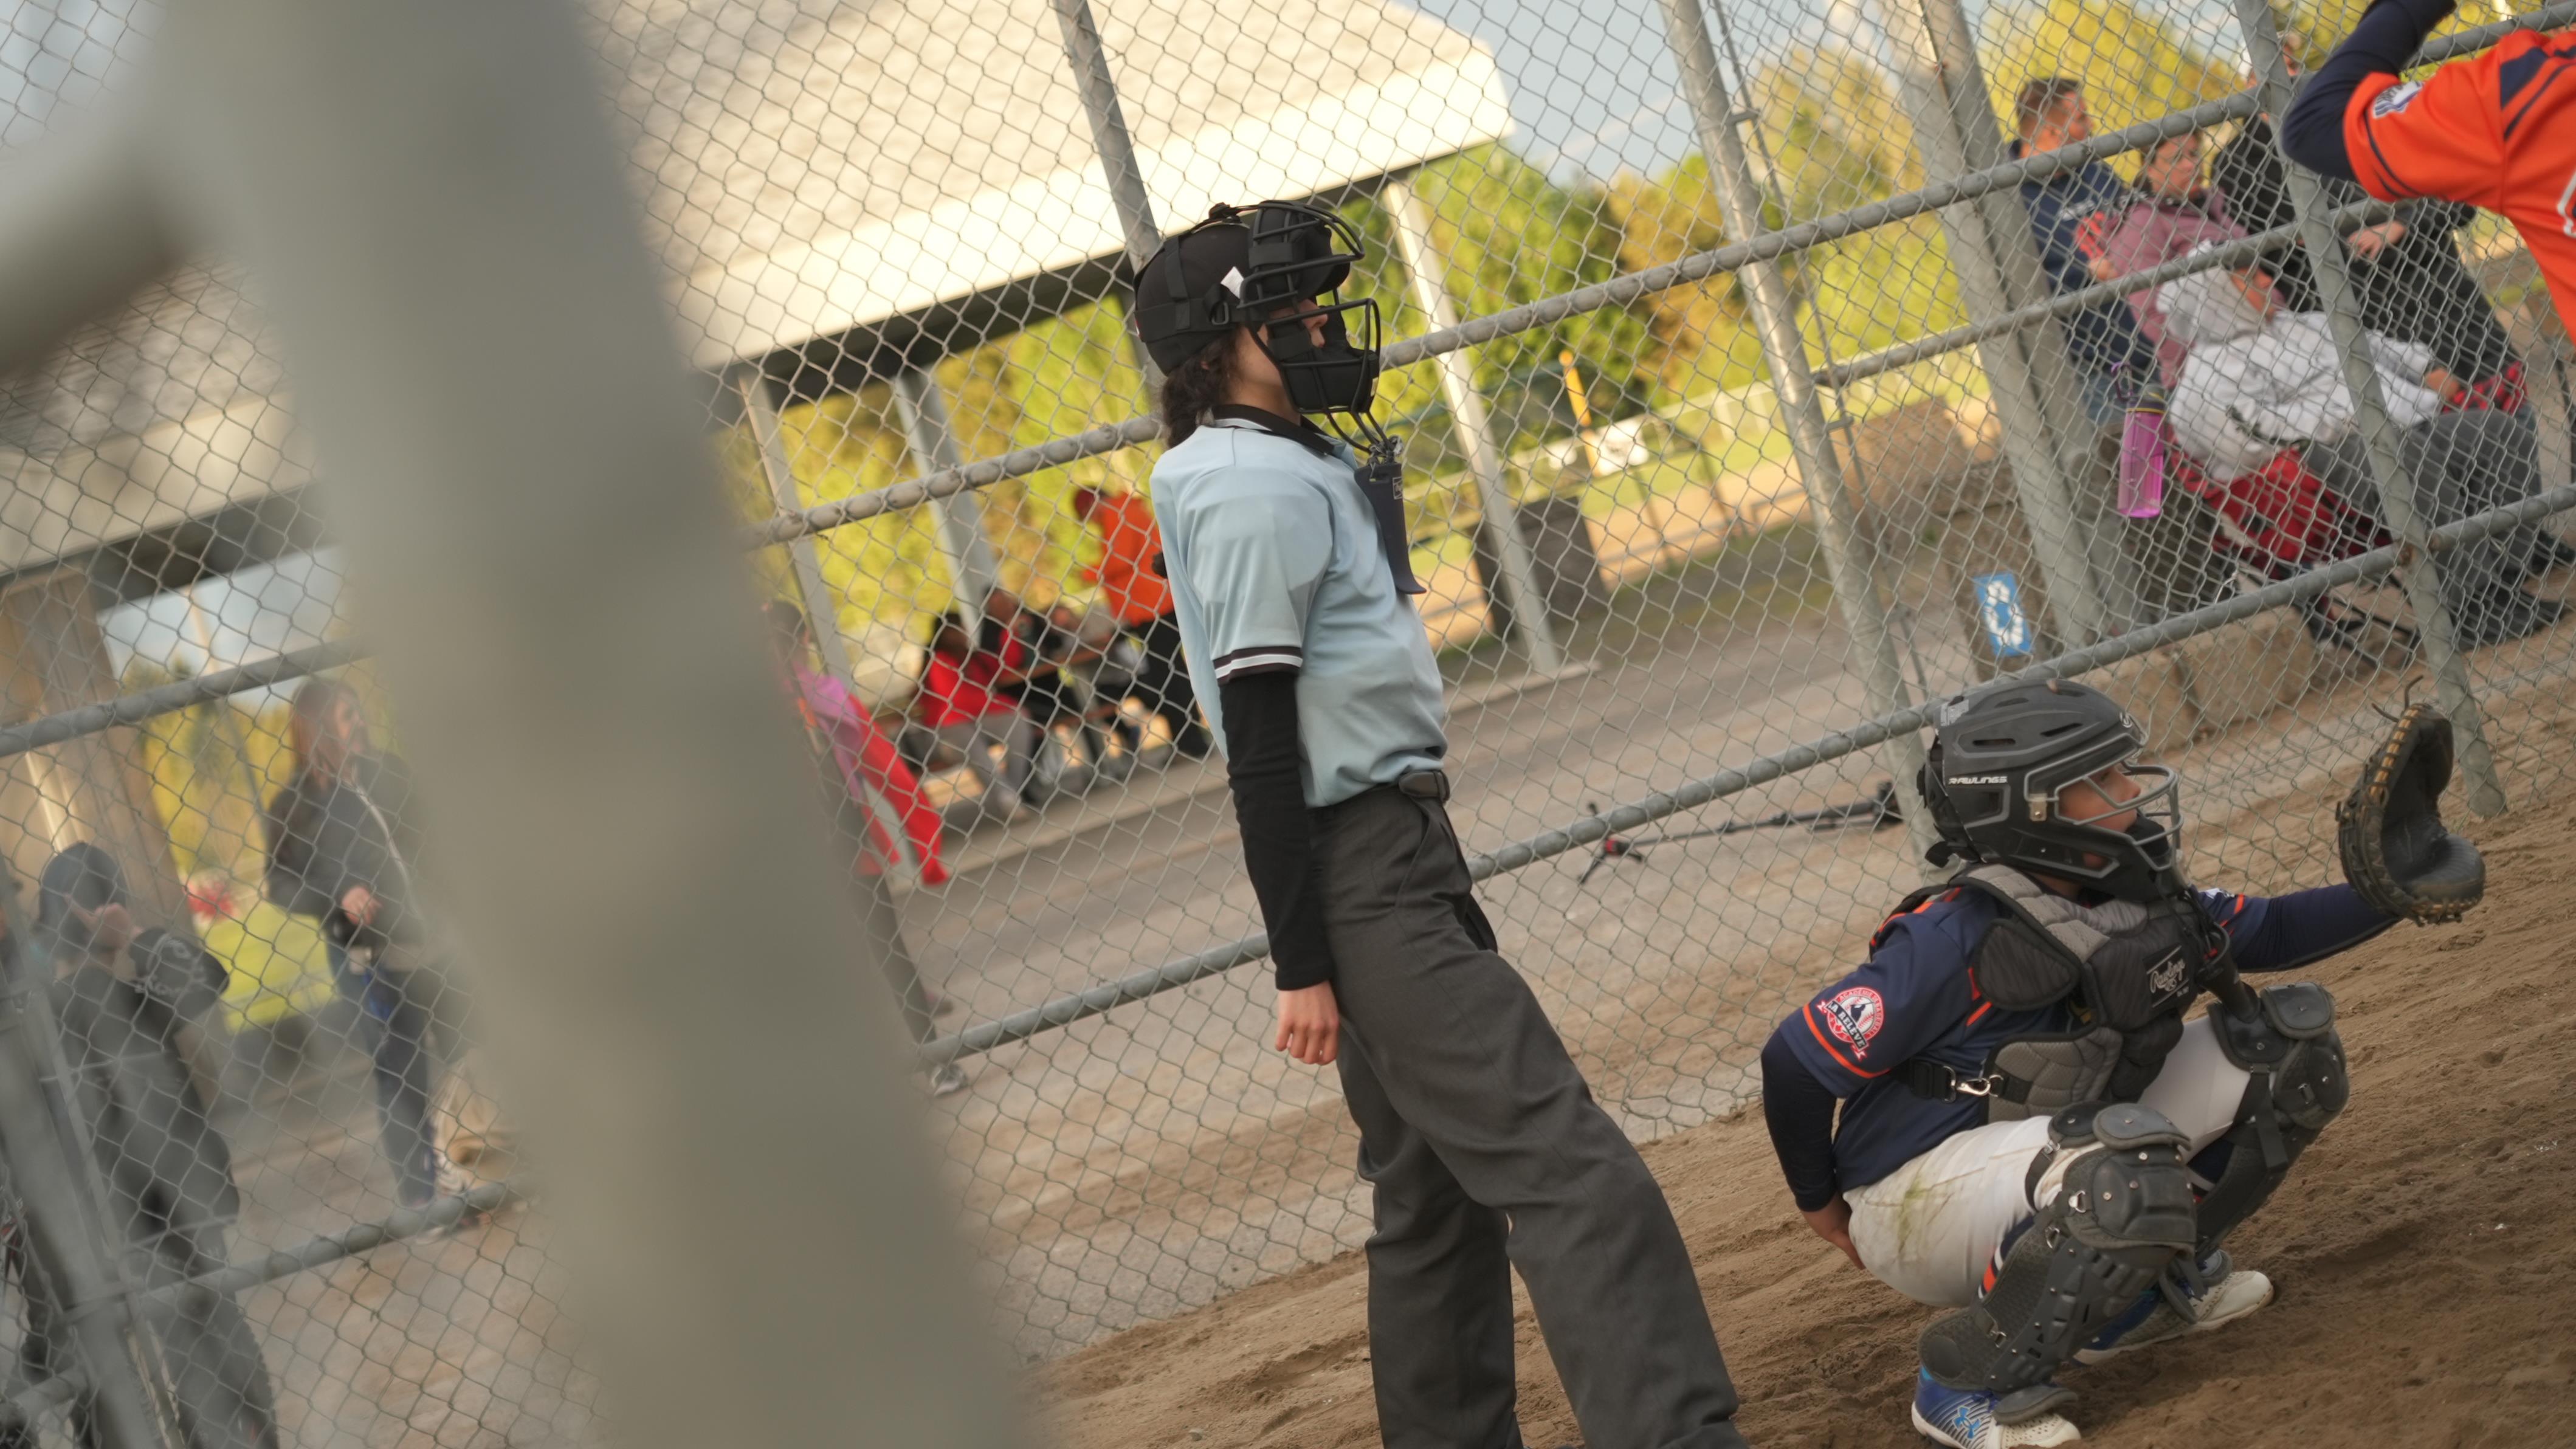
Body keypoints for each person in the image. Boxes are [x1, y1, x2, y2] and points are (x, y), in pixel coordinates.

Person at [1133, 199, 1749, 1449]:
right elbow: (1257, 748)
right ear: (1217, 343)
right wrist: (1302, 959)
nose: (1317, 324)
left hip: (1390, 855)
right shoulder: (1246, 482)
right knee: (1571, 1169)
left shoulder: (1272, 459)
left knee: (1428, 1199)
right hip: (1359, 870)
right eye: (1287, 309)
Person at [1760, 679, 2414, 1448]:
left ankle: (2135, 1302)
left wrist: (2393, 887)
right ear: (2026, 810)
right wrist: (1819, 1204)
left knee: (2287, 1055)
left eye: (2120, 768)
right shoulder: (1949, 938)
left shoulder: (2128, 890)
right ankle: (1960, 1381)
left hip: (2054, 1154)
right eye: (2096, 780)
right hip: (1910, 1198)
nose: (2129, 790)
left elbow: (2268, 929)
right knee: (2118, 1170)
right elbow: (1794, 1060)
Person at [2157, 252, 2564, 644]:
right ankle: (2467, 608)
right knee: (2404, 461)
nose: (2267, 280)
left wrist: (2425, 368)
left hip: (2404, 421)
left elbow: (2375, 345)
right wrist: (2344, 422)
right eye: (2248, 278)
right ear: (2216, 300)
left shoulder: (2299, 324)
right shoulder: (2210, 370)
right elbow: (2245, 436)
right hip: (2321, 458)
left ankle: (2503, 584)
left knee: (2497, 433)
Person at [23, 844, 282, 1449]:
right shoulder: (99, 1004)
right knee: (202, 1341)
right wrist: (135, 933)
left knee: (170, 1348)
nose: (121, 908)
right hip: (147, 1206)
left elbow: (207, 978)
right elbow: (202, 979)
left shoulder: (84, 1005)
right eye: (109, 900)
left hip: (122, 1209)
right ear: (85, 912)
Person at [2219, 26, 2523, 404]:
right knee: (2418, 448)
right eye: (2271, 72)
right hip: (2370, 332)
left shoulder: (2357, 110)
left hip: (2447, 302)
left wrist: (2401, 220)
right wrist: (2326, 233)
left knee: (2511, 428)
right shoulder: (2237, 165)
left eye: (2292, 64)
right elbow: (2274, 264)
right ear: (2249, 85)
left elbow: (2457, 196)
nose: (2290, 78)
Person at [261, 678, 460, 1209]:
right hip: (372, 959)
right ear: (321, 729)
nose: (363, 722)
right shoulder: (297, 806)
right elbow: (279, 883)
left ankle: (481, 1164)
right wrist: (337, 895)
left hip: (436, 941)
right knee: (402, 1079)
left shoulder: (388, 772)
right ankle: (422, 1199)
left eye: (359, 712)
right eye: (349, 717)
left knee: (471, 1056)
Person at [762, 601, 966, 1096]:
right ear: (806, 640)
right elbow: (886, 770)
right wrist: (924, 843)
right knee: (882, 948)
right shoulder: (824, 694)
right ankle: (933, 1059)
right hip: (838, 830)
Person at [2013, 79, 2161, 424]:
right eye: (2081, 118)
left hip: (2147, 339)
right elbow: (2019, 286)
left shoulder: (2093, 170)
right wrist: (2086, 273)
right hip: (2088, 364)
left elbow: (2137, 221)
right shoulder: (2010, 195)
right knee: (2121, 460)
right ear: (2051, 131)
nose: (2091, 125)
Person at [1073, 483, 1213, 759]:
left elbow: (1120, 559)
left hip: (1152, 607)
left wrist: (1091, 572)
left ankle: (1189, 740)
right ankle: (1188, 737)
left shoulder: (1117, 512)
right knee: (1170, 673)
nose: (1092, 521)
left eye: (1088, 515)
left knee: (1168, 675)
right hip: (1151, 605)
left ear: (1091, 505)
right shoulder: (1124, 510)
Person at [2098, 131, 2242, 385]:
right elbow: (2153, 314)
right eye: (2176, 159)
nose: (2191, 164)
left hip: (2262, 345)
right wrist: (2215, 356)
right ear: (2150, 169)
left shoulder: (2211, 202)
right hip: (2210, 371)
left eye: (2194, 154)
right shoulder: (2142, 222)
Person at [914, 606, 1043, 822]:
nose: (962, 634)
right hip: (948, 729)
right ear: (943, 635)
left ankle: (1010, 793)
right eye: (955, 630)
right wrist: (1001, 703)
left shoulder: (972, 657)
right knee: (971, 743)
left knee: (1017, 722)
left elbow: (1005, 667)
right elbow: (959, 700)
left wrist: (1008, 632)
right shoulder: (939, 661)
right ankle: (1005, 797)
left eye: (962, 629)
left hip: (979, 719)